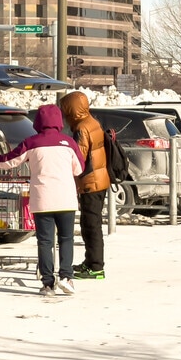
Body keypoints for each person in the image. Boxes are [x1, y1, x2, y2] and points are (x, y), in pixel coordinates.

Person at [0, 104, 84, 297]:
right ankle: (66, 277)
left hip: (42, 198)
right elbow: (79, 168)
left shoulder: (31, 142)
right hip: (66, 198)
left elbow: (8, 161)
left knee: (45, 242)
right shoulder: (69, 143)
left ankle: (48, 284)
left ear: (38, 121)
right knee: (66, 239)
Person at [59, 91, 108, 280]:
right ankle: (91, 263)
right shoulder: (92, 121)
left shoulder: (82, 128)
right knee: (91, 223)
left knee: (90, 225)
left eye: (66, 109)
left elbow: (78, 157)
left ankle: (95, 266)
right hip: (98, 179)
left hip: (91, 182)